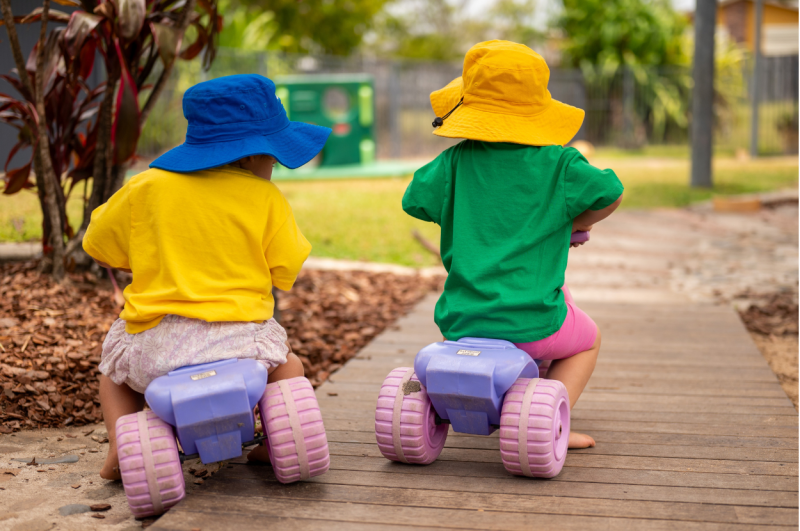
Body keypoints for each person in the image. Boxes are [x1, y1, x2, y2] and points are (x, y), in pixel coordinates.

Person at [83, 74, 331, 479]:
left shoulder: (145, 187)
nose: (273, 167)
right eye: (272, 158)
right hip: (239, 342)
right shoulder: (266, 198)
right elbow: (284, 269)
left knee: (113, 377)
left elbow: (97, 244)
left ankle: (119, 445)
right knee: (289, 367)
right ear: (252, 156)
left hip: (156, 347)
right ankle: (273, 442)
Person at [402, 41, 623, 449]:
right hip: (531, 324)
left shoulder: (453, 162)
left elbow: (414, 199)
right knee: (586, 338)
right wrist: (573, 220)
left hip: (460, 323)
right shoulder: (561, 164)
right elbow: (611, 193)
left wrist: (463, 215)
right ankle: (554, 418)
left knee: (551, 327)